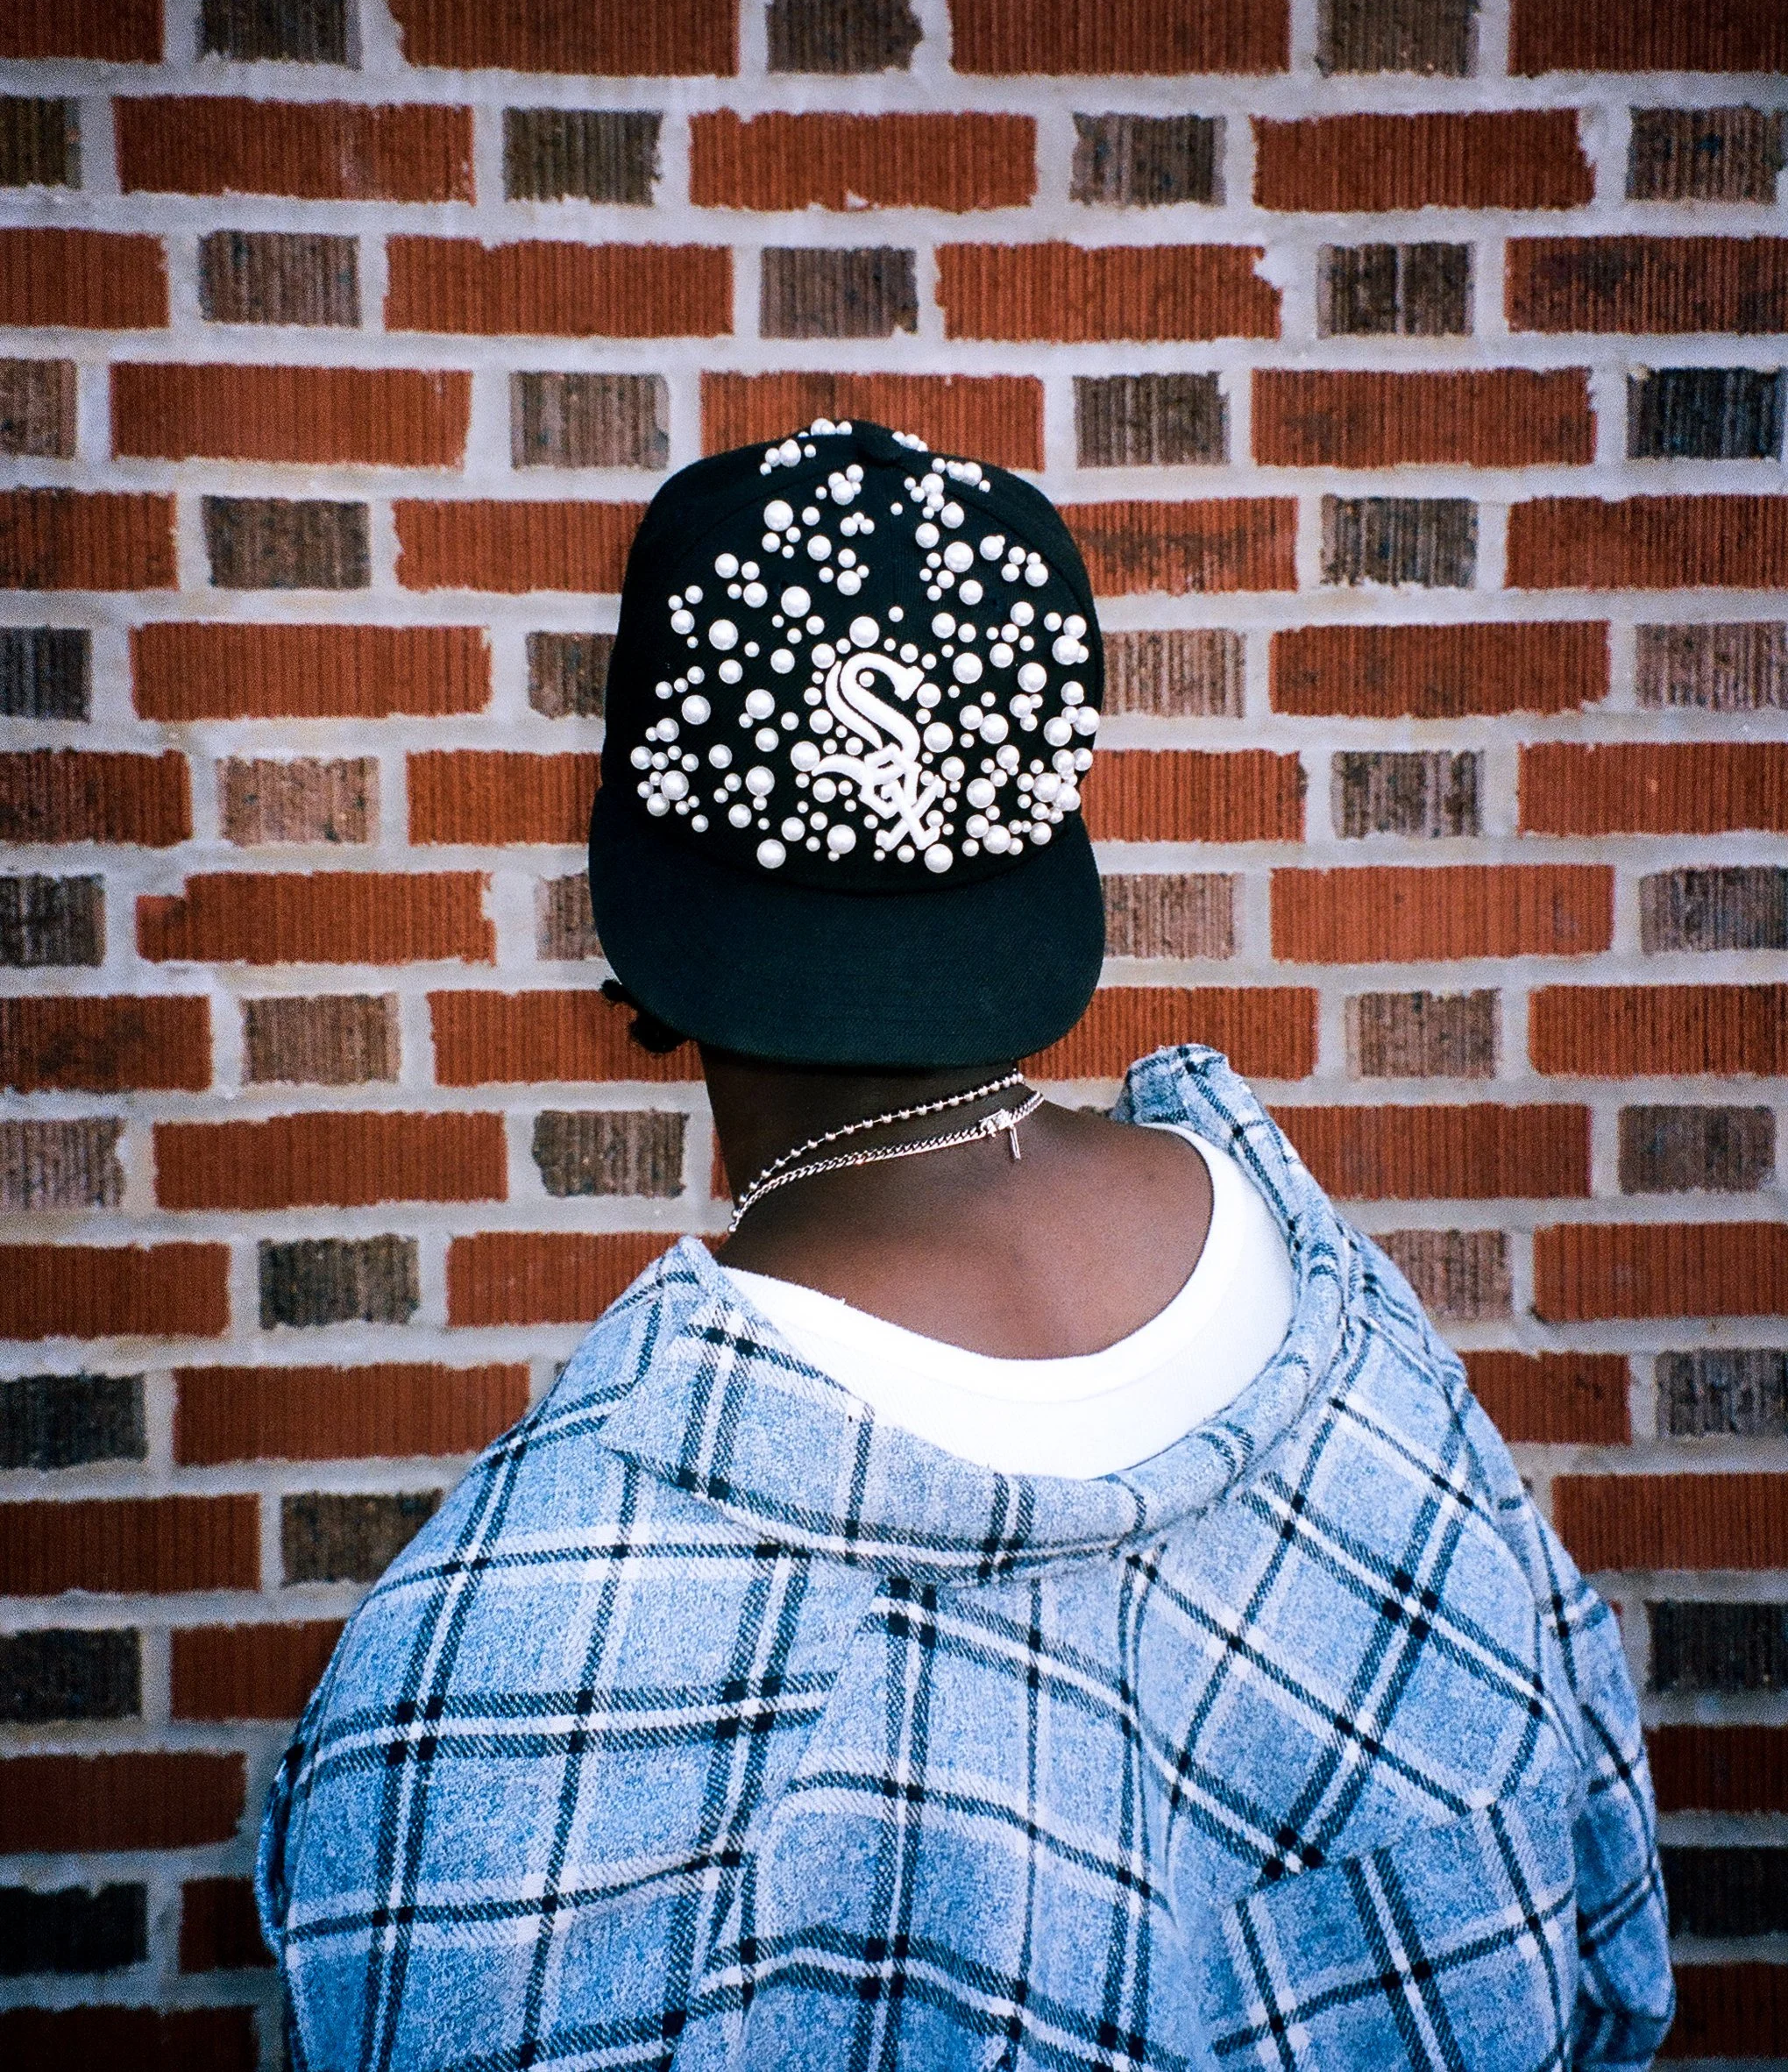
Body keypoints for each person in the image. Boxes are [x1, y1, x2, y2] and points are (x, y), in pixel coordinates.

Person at [258, 422, 1673, 2070]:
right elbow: (1610, 1945)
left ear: (641, 908)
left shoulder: (484, 1678)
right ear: (1033, 844)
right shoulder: (1377, 1364)